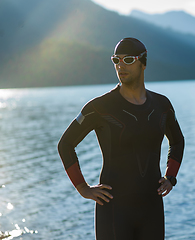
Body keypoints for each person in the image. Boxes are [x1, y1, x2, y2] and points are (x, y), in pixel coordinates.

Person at [57, 37, 184, 240]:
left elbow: (177, 141)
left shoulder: (162, 105)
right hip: (114, 209)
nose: (120, 66)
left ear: (143, 62)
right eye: (116, 60)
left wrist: (170, 177)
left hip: (151, 207)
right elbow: (65, 144)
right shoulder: (99, 107)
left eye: (128, 60)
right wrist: (82, 187)